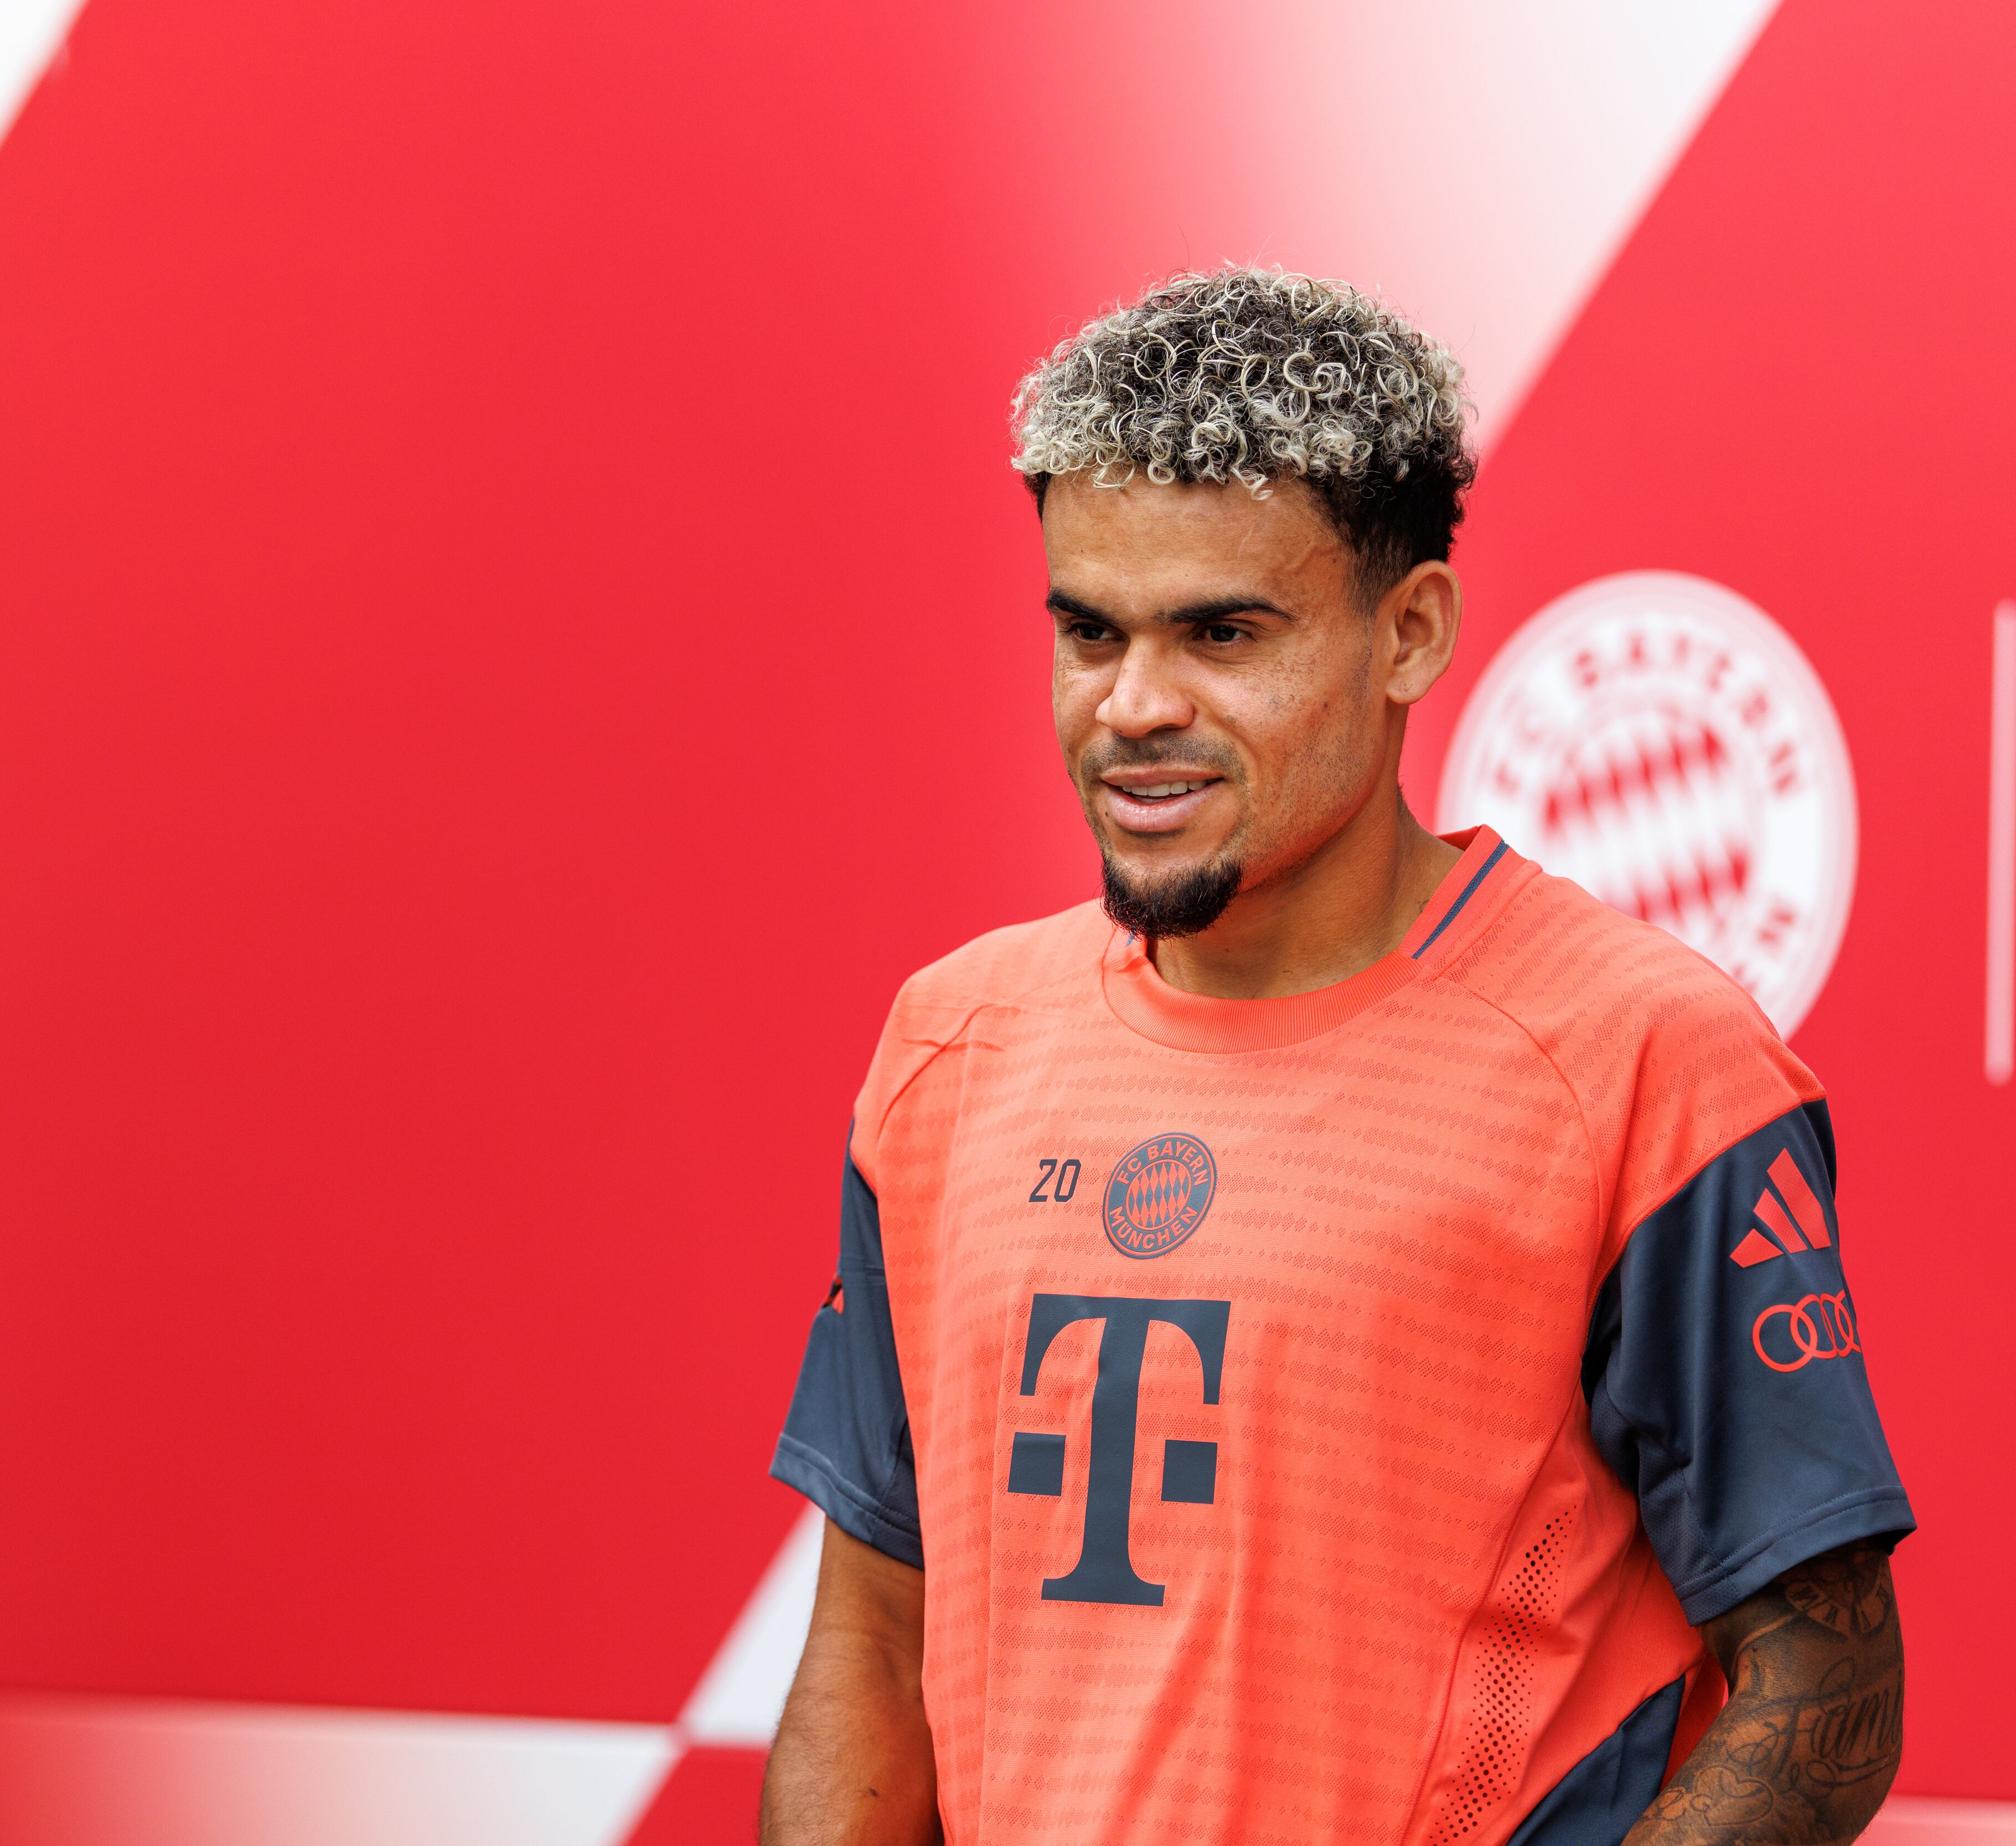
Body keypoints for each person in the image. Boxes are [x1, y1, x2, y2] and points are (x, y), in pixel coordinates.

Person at [759, 268, 1911, 1846]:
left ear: (1411, 633)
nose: (1134, 707)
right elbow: (873, 1640)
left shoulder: (1648, 1060)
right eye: (1088, 631)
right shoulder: (952, 1043)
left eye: (1222, 633)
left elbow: (1819, 1687)